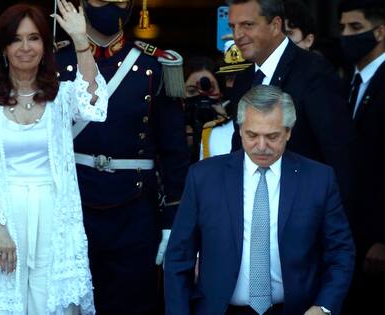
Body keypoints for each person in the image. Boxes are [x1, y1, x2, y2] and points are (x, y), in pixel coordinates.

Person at [0, 1, 109, 313]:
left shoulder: (61, 95)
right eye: (16, 39)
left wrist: (82, 42)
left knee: (49, 299)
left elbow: (94, 105)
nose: (25, 47)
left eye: (34, 38)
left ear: (45, 46)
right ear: (3, 48)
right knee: (6, 298)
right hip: (3, 213)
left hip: (55, 212)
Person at [165, 85, 355, 315]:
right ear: (240, 129)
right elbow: (178, 257)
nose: (262, 146)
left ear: (288, 132)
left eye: (272, 136)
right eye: (252, 135)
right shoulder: (204, 177)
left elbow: (341, 251)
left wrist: (324, 307)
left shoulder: (318, 179)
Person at [56, 0, 190, 313]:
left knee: (135, 300)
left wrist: (173, 220)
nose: (109, 6)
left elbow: (174, 152)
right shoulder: (56, 60)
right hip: (74, 206)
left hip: (136, 210)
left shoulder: (156, 64)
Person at [227, 0, 355, 207]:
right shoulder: (244, 79)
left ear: (276, 25)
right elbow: (238, 147)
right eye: (233, 27)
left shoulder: (313, 71)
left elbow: (338, 153)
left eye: (247, 25)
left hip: (305, 212)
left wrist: (331, 222)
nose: (237, 35)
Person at [338, 0, 385, 313]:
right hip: (349, 235)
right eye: (342, 28)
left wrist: (383, 237)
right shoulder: (347, 83)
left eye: (355, 28)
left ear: (379, 31)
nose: (345, 35)